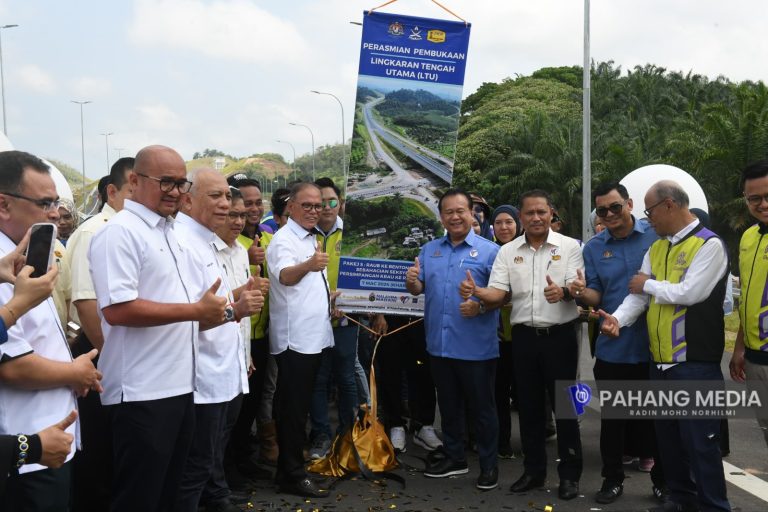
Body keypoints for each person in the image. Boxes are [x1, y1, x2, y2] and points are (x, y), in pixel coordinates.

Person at [89, 145, 228, 512]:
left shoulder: (170, 233)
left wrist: (221, 308)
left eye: (180, 183)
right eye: (165, 181)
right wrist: (195, 311)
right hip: (141, 393)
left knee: (169, 494)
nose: (175, 191)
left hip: (181, 387)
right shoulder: (119, 232)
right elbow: (118, 310)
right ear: (134, 181)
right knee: (139, 498)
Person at [599, 180, 731, 512]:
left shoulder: (709, 245)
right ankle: (681, 500)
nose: (648, 219)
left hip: (694, 364)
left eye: (650, 211)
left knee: (701, 446)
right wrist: (618, 319)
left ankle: (714, 506)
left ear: (669, 205)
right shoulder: (657, 247)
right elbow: (638, 296)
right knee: (669, 444)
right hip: (659, 363)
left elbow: (691, 293)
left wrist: (650, 283)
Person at [462, 189, 584, 500]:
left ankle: (570, 476)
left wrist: (566, 293)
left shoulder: (570, 247)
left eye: (541, 212)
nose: (536, 218)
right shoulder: (508, 252)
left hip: (561, 337)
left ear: (551, 213)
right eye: (529, 213)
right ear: (521, 217)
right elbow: (499, 294)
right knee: (529, 409)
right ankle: (533, 472)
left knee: (567, 408)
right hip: (524, 339)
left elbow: (575, 286)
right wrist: (477, 291)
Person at [0, 150, 102, 510]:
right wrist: (75, 370)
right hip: (24, 446)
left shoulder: (18, 260)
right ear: (4, 205)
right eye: (44, 203)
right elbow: (12, 366)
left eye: (56, 202)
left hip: (50, 436)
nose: (55, 213)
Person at [174, 168, 263, 512]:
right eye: (215, 196)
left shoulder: (208, 241)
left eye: (227, 196)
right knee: (194, 468)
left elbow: (214, 301)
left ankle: (217, 497)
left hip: (223, 371)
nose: (226, 205)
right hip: (200, 376)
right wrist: (236, 309)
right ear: (188, 200)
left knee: (208, 458)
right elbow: (189, 313)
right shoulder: (185, 243)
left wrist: (237, 300)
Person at [406, 188, 501, 490]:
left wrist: (481, 304)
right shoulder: (430, 249)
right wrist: (413, 283)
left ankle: (488, 466)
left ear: (472, 213)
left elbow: (504, 296)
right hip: (439, 345)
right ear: (441, 217)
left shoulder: (490, 252)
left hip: (476, 348)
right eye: (449, 211)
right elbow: (419, 289)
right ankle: (455, 458)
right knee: (448, 407)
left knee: (482, 410)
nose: (455, 216)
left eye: (461, 210)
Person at [576, 182, 662, 504]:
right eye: (602, 210)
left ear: (629, 203)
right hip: (613, 344)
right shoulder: (594, 248)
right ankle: (612, 479)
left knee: (656, 420)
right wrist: (580, 292)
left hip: (657, 344)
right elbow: (594, 294)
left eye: (615, 207)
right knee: (614, 421)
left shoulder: (657, 236)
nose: (610, 214)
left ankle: (662, 482)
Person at [64, 156, 134, 511]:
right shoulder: (95, 231)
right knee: (97, 447)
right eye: (132, 189)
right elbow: (85, 301)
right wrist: (111, 358)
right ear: (113, 191)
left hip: (122, 352)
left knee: (117, 448)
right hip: (97, 353)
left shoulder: (132, 231)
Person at [266, 182, 334, 498]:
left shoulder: (309, 238)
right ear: (290, 206)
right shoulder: (284, 240)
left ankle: (288, 471)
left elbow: (305, 286)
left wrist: (330, 297)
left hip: (313, 337)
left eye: (318, 205)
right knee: (293, 410)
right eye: (306, 205)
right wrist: (309, 266)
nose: (313, 211)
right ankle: (293, 473)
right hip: (296, 341)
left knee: (298, 407)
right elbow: (285, 276)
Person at [226, 175, 277, 472]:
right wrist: (246, 256)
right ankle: (229, 466)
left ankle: (244, 458)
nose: (254, 209)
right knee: (234, 408)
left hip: (261, 336)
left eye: (258, 203)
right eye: (246, 204)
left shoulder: (270, 238)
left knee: (253, 403)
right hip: (234, 333)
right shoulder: (230, 243)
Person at [308, 178, 359, 459]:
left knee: (346, 378)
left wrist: (347, 302)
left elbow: (363, 273)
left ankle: (348, 433)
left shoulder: (351, 233)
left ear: (340, 203)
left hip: (346, 319)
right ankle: (321, 435)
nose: (326, 208)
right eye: (320, 202)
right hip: (314, 321)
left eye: (331, 201)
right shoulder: (305, 234)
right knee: (318, 379)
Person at [731, 159, 768, 449]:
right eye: (754, 198)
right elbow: (747, 298)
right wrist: (740, 346)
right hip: (756, 360)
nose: (762, 204)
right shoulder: (748, 237)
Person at [489, 205, 521, 459]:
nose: (504, 227)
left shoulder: (528, 251)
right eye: (498, 223)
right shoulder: (489, 252)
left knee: (528, 391)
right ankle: (502, 442)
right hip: (496, 336)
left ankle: (541, 435)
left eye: (509, 222)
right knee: (498, 391)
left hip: (524, 333)